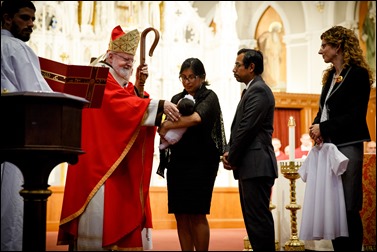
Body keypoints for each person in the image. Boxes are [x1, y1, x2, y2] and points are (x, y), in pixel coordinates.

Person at [57, 25, 180, 251]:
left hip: (111, 158)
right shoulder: (99, 76)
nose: (129, 64)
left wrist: (140, 88)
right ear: (110, 56)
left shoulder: (116, 79)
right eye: (125, 59)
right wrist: (160, 105)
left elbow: (128, 100)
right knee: (97, 219)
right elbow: (118, 105)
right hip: (97, 161)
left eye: (132, 61)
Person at [309, 25, 374, 252]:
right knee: (333, 208)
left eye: (324, 46)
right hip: (328, 146)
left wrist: (323, 127)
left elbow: (354, 115)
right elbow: (325, 108)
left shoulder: (357, 74)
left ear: (338, 46)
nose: (321, 51)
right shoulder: (330, 77)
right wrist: (315, 126)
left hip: (347, 145)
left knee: (347, 206)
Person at [157, 57, 227, 251]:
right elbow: (163, 124)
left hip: (202, 163)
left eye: (191, 77)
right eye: (183, 77)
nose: (187, 81)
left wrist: (168, 125)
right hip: (178, 162)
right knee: (180, 214)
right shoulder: (175, 99)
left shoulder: (210, 97)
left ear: (202, 77)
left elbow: (196, 118)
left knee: (197, 213)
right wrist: (164, 126)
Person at [1, 1, 53, 250]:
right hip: (15, 140)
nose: (31, 24)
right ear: (7, 19)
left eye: (33, 19)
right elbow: (38, 94)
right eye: (25, 18)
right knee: (11, 211)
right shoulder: (15, 47)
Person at [222, 48, 278, 251]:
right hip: (250, 165)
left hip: (256, 164)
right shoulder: (251, 89)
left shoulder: (259, 90)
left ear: (251, 67)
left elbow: (247, 128)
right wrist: (229, 151)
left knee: (258, 220)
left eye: (238, 65)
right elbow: (238, 127)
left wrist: (232, 157)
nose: (234, 69)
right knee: (253, 221)